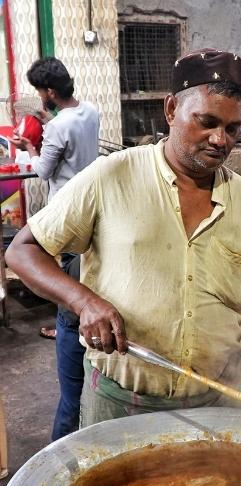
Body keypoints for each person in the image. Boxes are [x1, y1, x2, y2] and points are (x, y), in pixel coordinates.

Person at [6, 49, 241, 426]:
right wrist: (84, 301)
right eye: (207, 122)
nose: (220, 140)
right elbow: (23, 251)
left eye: (232, 128)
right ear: (171, 109)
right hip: (121, 403)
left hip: (218, 402)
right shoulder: (111, 176)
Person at [11, 57, 99, 440]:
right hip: (92, 205)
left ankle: (68, 322)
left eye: (39, 91)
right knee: (83, 266)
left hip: (66, 210)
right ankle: (71, 316)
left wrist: (30, 143)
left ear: (48, 91)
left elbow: (43, 171)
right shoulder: (89, 112)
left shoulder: (57, 126)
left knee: (63, 273)